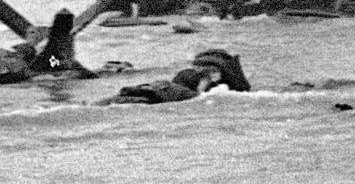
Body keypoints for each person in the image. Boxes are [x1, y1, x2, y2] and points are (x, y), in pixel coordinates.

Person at [100, 49, 250, 105]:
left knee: (123, 97)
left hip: (161, 91)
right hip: (165, 93)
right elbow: (198, 94)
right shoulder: (205, 79)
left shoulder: (190, 74)